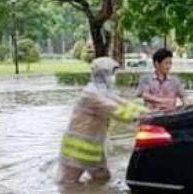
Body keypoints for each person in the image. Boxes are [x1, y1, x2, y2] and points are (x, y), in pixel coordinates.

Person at [60, 57, 147, 185]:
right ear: (103, 74)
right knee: (68, 184)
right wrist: (137, 117)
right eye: (112, 73)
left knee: (102, 178)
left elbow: (123, 103)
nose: (114, 77)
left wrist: (147, 112)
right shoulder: (92, 94)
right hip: (77, 150)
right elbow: (115, 110)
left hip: (94, 149)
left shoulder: (104, 91)